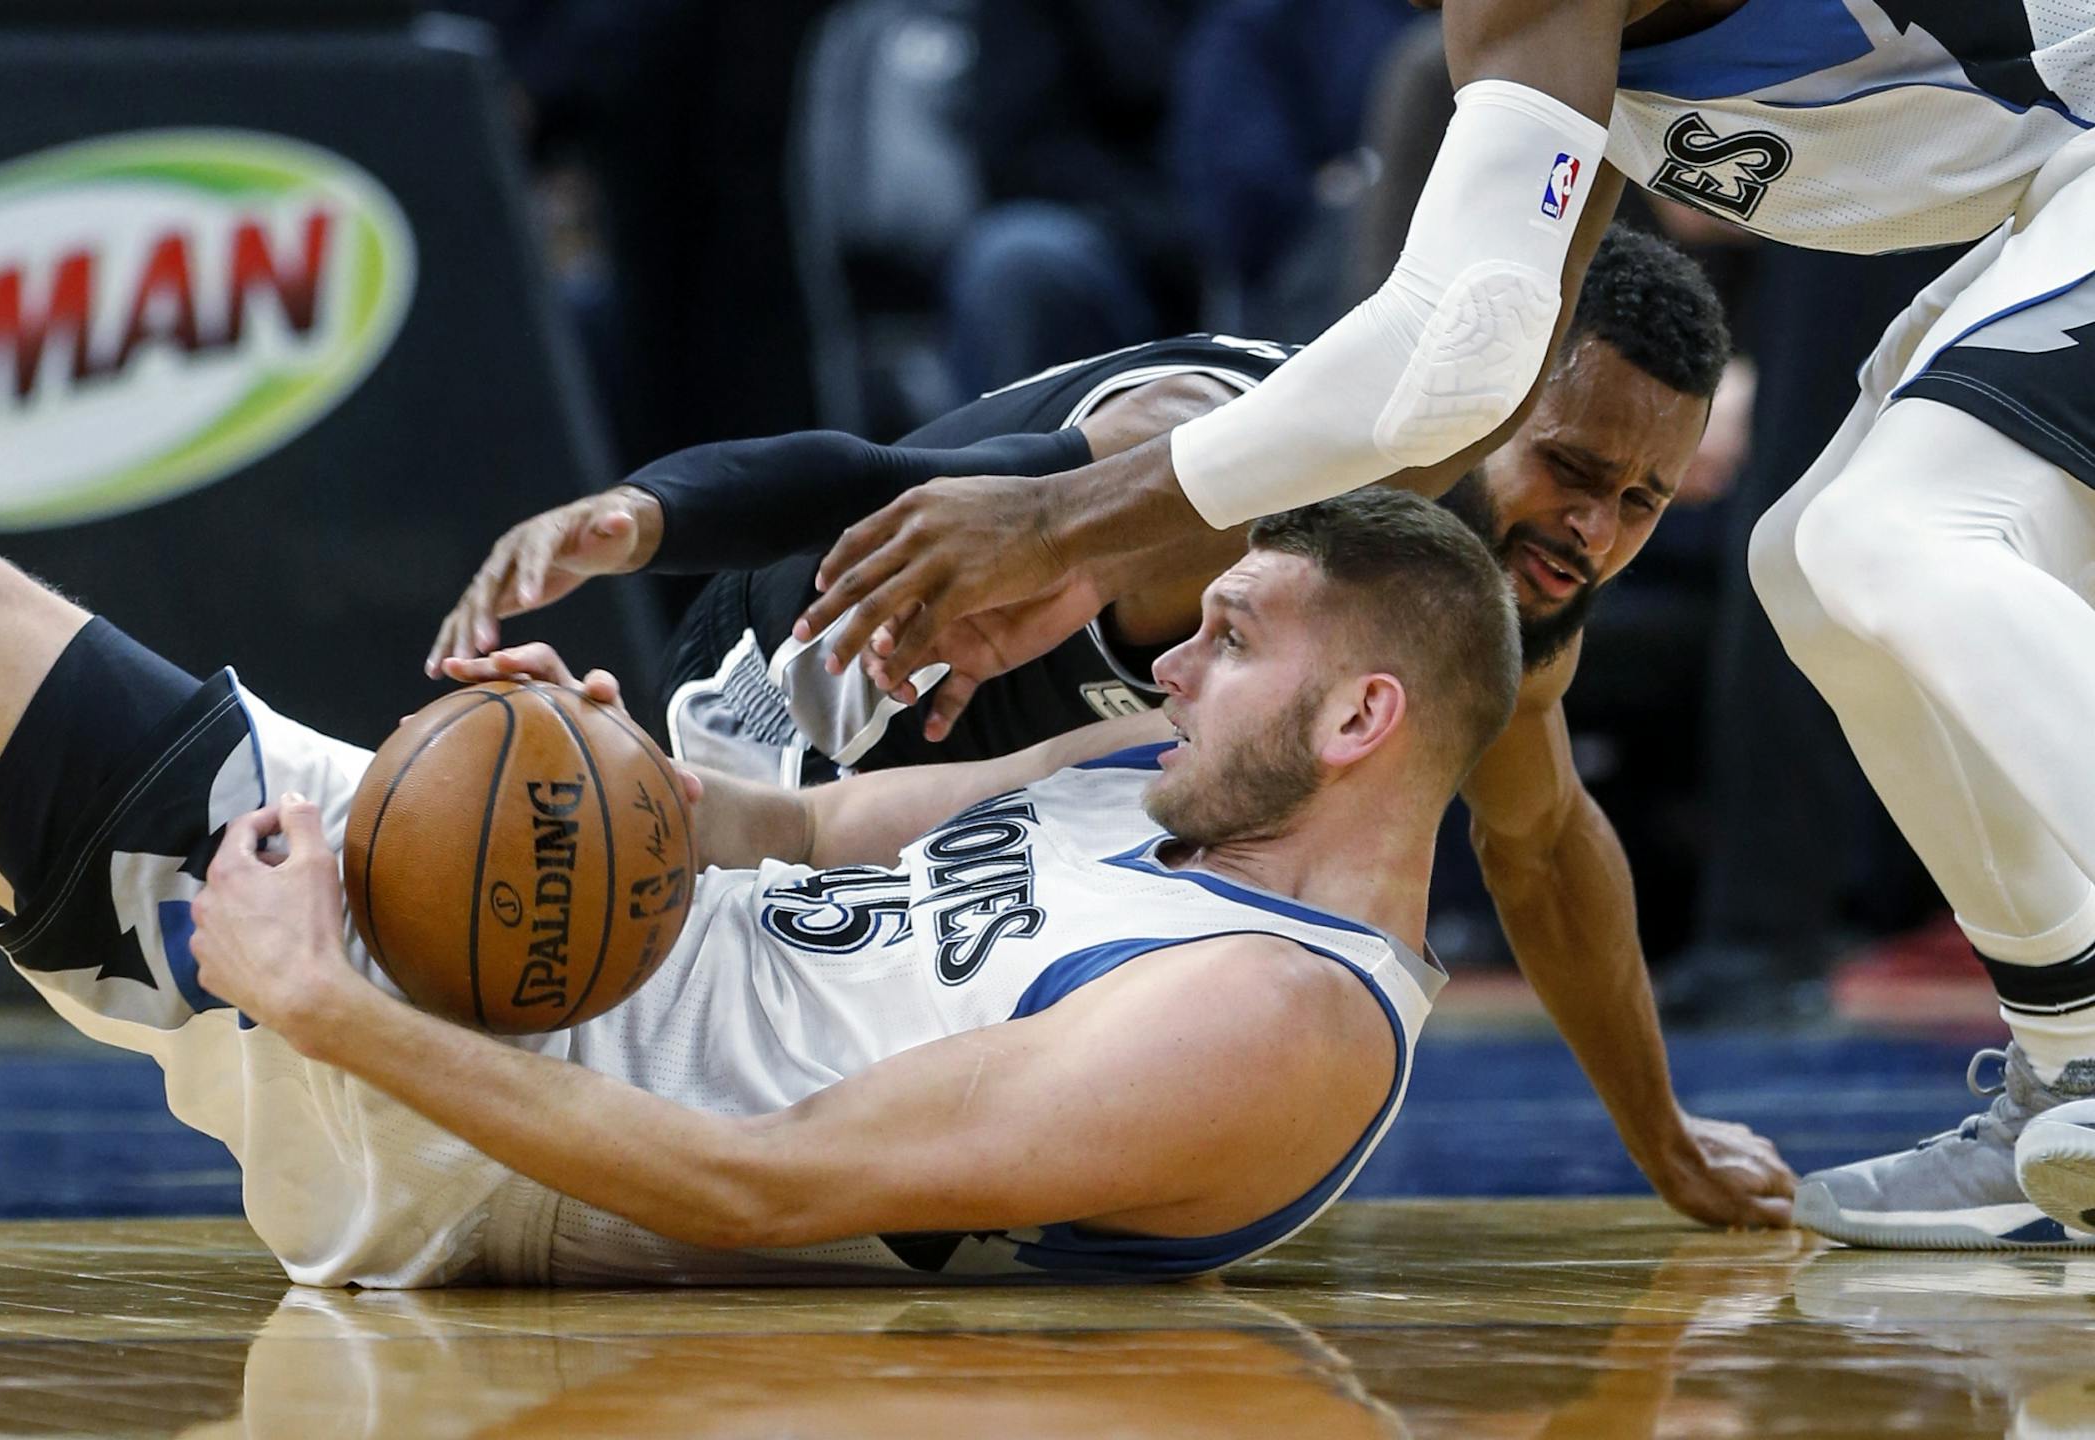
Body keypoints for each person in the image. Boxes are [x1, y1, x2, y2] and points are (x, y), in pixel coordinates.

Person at [788, 0, 2095, 1250]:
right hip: (2055, 187)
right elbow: (1488, 375)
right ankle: (2065, 1066)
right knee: (1808, 566)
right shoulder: (1538, 56)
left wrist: (1062, 519)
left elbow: (1441, 363)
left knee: (1894, 537)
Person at [434, 224, 1795, 1229]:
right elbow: (871, 477)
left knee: (927, 1197)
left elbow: (1543, 841)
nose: (1595, 532)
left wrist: (1661, 1139)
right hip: (822, 654)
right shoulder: (1225, 465)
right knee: (632, 1017)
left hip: (1004, 773)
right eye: (1570, 470)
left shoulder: (1487, 598)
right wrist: (640, 520)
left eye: (1645, 500)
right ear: (1481, 402)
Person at [0, 491, 1514, 1287]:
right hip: (538, 968)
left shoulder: (1278, 1016)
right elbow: (796, 833)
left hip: (505, 1089)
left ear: (1364, 718)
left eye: (1228, 640)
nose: (1167, 664)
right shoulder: (1128, 784)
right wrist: (598, 777)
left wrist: (323, 1006)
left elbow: (770, 1186)